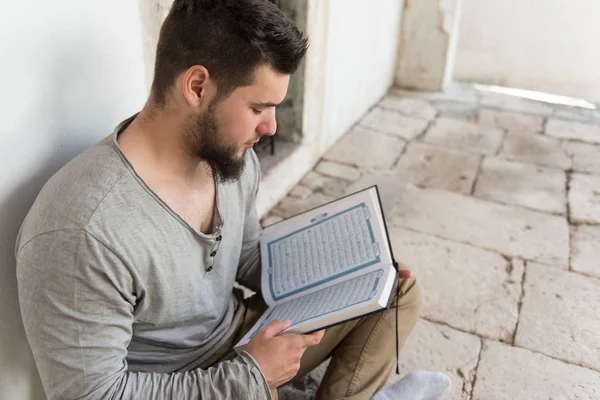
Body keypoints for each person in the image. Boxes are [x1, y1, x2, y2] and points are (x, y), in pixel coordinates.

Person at [16, 0, 422, 399]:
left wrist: (352, 270)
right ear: (197, 87)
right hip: (177, 383)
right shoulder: (80, 229)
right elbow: (93, 394)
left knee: (396, 292)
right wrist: (251, 377)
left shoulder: (232, 161)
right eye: (258, 107)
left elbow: (244, 255)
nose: (270, 127)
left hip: (240, 336)